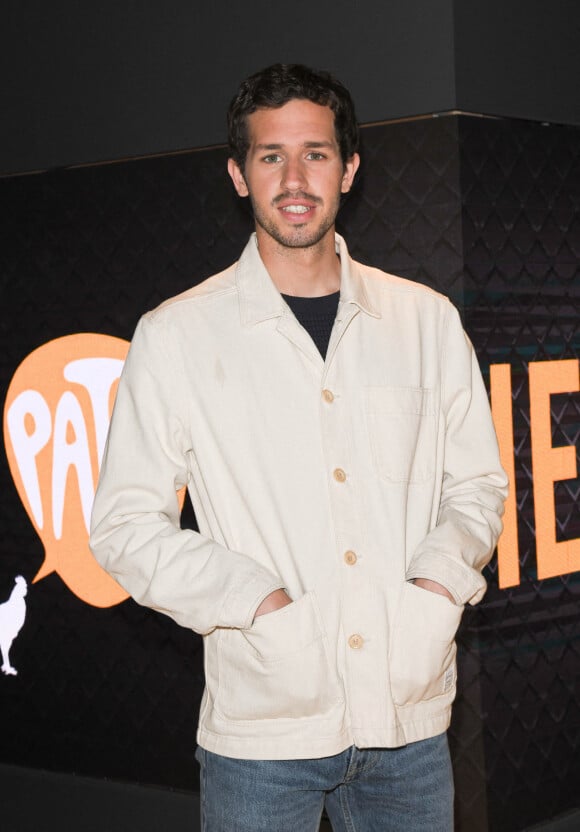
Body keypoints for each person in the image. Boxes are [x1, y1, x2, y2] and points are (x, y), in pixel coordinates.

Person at [90, 63, 507, 831]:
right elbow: (124, 527)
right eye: (270, 156)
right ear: (237, 174)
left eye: (315, 153)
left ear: (348, 168)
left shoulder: (425, 320)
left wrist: (437, 588)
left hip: (408, 725)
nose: (294, 178)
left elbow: (478, 488)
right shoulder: (177, 333)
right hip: (262, 730)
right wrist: (254, 600)